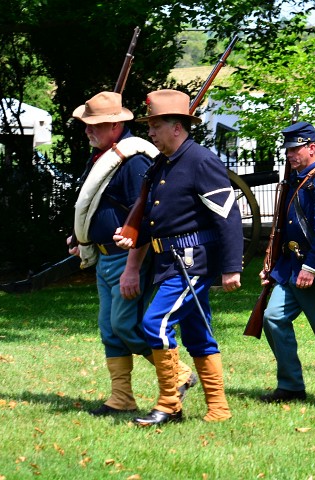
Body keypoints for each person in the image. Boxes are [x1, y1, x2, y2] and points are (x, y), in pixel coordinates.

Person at [113, 89, 243, 425]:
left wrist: (231, 267)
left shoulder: (201, 161)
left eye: (156, 126)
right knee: (198, 333)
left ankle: (170, 404)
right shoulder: (161, 164)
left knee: (154, 324)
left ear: (177, 127)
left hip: (193, 263)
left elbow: (227, 217)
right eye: (150, 126)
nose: (150, 133)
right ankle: (219, 409)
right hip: (171, 262)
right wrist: (131, 235)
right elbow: (152, 215)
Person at [68, 91, 196, 416]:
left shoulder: (133, 161)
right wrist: (81, 237)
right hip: (103, 256)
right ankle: (121, 397)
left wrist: (131, 268)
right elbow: (98, 207)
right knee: (110, 329)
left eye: (93, 125)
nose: (87, 131)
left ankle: (178, 372)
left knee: (126, 325)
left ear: (115, 125)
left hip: (126, 259)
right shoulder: (102, 157)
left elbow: (144, 217)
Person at [259, 121, 315, 404]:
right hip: (289, 268)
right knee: (273, 318)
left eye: (296, 149)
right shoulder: (297, 180)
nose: (290, 154)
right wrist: (272, 266)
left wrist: (311, 267)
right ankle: (291, 385)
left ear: (312, 147)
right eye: (288, 149)